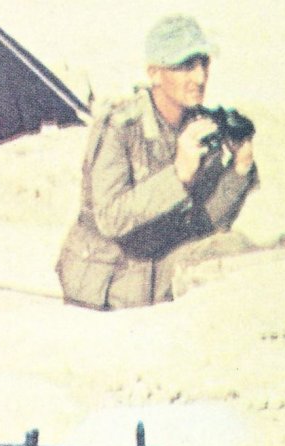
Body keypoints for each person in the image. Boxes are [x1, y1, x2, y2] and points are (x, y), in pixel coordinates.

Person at [56, 14, 258, 310]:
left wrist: (239, 170)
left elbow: (204, 224)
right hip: (101, 287)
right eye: (186, 66)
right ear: (155, 74)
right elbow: (110, 218)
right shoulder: (120, 127)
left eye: (203, 64)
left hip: (157, 285)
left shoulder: (199, 129)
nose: (200, 78)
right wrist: (178, 176)